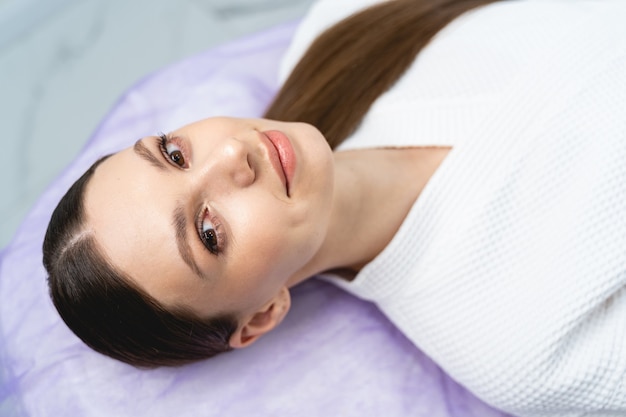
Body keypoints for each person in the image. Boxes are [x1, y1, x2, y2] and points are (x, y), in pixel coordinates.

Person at [43, 0, 626, 415]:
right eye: (207, 230)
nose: (229, 155)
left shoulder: (340, 28)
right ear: (263, 315)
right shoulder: (521, 349)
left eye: (172, 153)